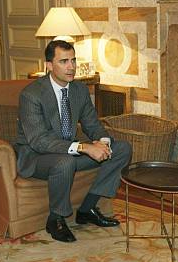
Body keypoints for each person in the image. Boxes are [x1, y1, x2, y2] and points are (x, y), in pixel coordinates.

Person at [14, 40, 132, 243]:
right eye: (64, 61)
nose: (71, 67)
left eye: (73, 60)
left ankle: (87, 209)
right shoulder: (31, 95)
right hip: (38, 157)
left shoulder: (79, 90)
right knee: (64, 161)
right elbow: (39, 141)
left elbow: (92, 125)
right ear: (49, 66)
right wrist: (85, 147)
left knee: (121, 149)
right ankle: (56, 218)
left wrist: (102, 142)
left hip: (67, 151)